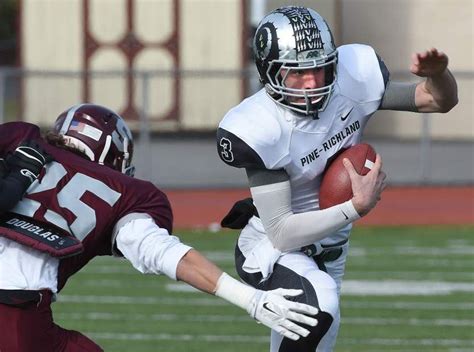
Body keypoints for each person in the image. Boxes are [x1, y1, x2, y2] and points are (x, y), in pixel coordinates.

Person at [216, 5, 458, 352]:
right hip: (271, 248)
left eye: (319, 67)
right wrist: (355, 207)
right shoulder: (260, 127)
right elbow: (282, 233)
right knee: (319, 303)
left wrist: (439, 75)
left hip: (331, 246)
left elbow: (437, 100)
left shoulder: (351, 81)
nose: (312, 82)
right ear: (270, 73)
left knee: (314, 335)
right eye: (297, 74)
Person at [0, 103, 320, 352]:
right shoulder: (125, 191)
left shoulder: (20, 138)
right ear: (113, 155)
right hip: (15, 312)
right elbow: (163, 254)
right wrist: (249, 299)